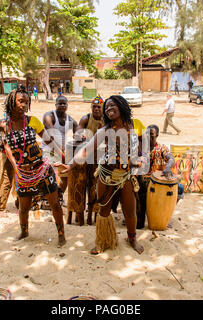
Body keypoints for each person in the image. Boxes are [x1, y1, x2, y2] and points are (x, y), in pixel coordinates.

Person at [0, 89, 67, 246]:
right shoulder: (2, 125)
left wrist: (64, 158)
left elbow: (49, 142)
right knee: (23, 208)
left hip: (41, 170)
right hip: (23, 174)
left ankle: (61, 235)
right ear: (11, 102)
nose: (24, 105)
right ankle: (24, 232)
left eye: (26, 102)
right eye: (21, 101)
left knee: (55, 204)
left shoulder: (32, 121)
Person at [60, 95, 145, 255]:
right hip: (106, 176)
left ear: (121, 106)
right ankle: (102, 242)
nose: (108, 109)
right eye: (107, 107)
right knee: (104, 213)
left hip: (126, 176)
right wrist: (71, 164)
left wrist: (137, 160)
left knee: (130, 212)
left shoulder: (131, 125)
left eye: (112, 105)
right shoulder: (104, 131)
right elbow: (86, 151)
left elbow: (133, 151)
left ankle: (132, 238)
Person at [136, 125, 184, 229]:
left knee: (180, 189)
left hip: (157, 183)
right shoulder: (140, 148)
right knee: (138, 225)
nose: (148, 137)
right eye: (147, 134)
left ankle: (165, 214)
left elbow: (171, 158)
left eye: (151, 134)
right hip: (141, 181)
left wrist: (167, 167)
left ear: (157, 135)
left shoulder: (162, 148)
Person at [72, 95, 105, 225]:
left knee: (95, 187)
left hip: (99, 159)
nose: (96, 109)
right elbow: (77, 133)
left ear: (102, 108)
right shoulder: (86, 118)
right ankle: (79, 214)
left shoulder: (106, 121)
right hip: (87, 157)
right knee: (82, 185)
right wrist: (81, 135)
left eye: (99, 107)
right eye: (94, 107)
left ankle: (95, 214)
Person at [42, 95, 78, 196]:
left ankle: (58, 197)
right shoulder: (49, 116)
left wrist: (79, 135)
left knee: (65, 176)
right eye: (60, 103)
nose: (62, 105)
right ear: (55, 105)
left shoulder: (69, 119)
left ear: (67, 105)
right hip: (49, 149)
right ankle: (47, 199)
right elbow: (52, 133)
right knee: (49, 176)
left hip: (62, 152)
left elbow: (78, 129)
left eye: (64, 103)